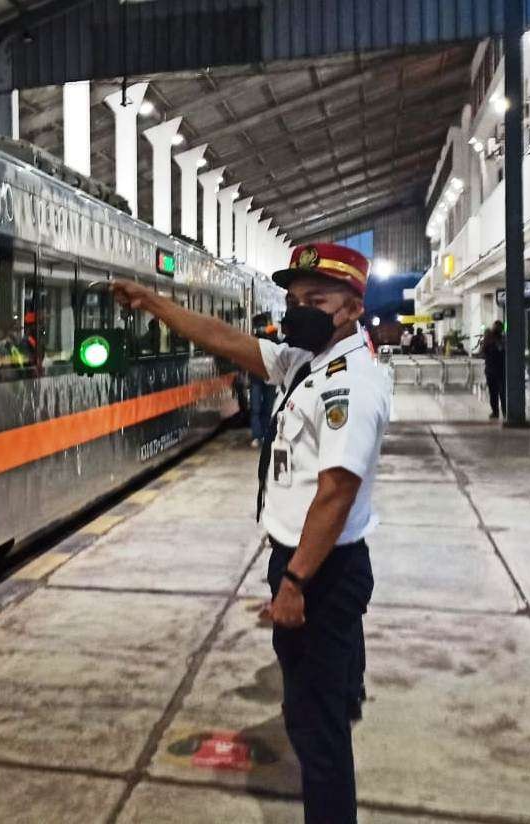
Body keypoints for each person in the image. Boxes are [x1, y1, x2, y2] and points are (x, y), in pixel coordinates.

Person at [113, 242, 390, 824]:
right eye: (294, 298)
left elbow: (335, 493)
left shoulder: (349, 385)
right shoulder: (306, 362)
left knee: (315, 732)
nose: (299, 310)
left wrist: (293, 583)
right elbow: (229, 340)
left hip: (317, 570)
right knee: (325, 705)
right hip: (312, 565)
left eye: (316, 299)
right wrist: (157, 305)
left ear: (352, 309)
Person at [248, 313, 278, 449]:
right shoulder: (252, 340)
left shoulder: (273, 337)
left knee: (264, 407)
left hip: (268, 377)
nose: (260, 328)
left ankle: (262, 434)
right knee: (259, 408)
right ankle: (257, 435)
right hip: (258, 378)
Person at [480, 320, 506, 419]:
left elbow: (482, 353)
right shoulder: (489, 340)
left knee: (500, 393)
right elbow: (482, 352)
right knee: (495, 393)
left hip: (498, 370)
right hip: (494, 370)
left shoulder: (503, 340)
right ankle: (497, 412)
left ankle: (502, 412)